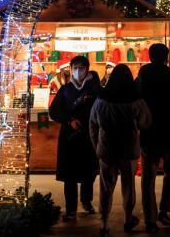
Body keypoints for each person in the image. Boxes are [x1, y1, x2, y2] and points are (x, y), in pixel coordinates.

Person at [89, 64, 152, 237]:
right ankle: (127, 218)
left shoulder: (101, 100)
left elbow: (92, 125)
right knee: (128, 186)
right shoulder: (135, 100)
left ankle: (104, 222)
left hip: (106, 149)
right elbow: (146, 122)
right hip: (128, 149)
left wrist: (97, 146)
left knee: (105, 186)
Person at [135, 43, 170, 233]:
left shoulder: (142, 75)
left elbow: (135, 99)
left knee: (148, 176)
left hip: (149, 132)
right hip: (168, 131)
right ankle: (164, 209)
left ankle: (150, 218)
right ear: (166, 57)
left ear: (150, 56)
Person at [49, 56, 100, 221]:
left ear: (87, 69)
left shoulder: (94, 89)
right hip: (69, 138)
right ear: (71, 69)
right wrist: (69, 120)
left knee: (88, 173)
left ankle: (86, 202)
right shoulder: (65, 90)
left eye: (82, 68)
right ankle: (70, 208)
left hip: (88, 136)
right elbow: (54, 111)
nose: (78, 71)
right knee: (70, 175)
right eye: (75, 68)